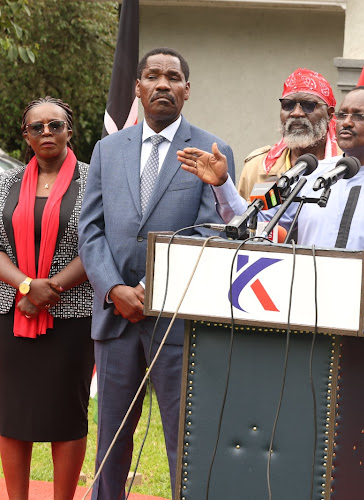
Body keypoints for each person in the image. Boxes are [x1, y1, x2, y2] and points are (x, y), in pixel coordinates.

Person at [177, 86, 364, 500]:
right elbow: (258, 220)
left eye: (360, 116)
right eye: (344, 115)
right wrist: (224, 183)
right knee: (303, 439)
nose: (347, 122)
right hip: (306, 336)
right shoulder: (308, 174)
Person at [78, 47, 235, 500]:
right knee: (111, 434)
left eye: (173, 77)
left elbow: (214, 231)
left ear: (187, 90)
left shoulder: (210, 150)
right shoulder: (109, 149)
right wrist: (114, 290)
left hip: (177, 320)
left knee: (184, 435)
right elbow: (91, 230)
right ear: (138, 87)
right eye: (153, 76)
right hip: (116, 317)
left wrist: (149, 287)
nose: (162, 84)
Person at [0, 96, 94, 500]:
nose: (46, 133)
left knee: (66, 416)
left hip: (71, 318)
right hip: (11, 312)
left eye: (54, 125)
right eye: (36, 127)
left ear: (69, 131)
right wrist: (26, 286)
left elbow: (98, 246)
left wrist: (47, 290)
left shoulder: (94, 181)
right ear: (26, 136)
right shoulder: (5, 184)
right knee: (10, 415)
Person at [236, 68, 341, 199]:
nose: (296, 113)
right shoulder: (257, 167)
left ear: (329, 114)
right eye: (288, 105)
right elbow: (242, 216)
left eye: (308, 105)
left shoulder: (346, 166)